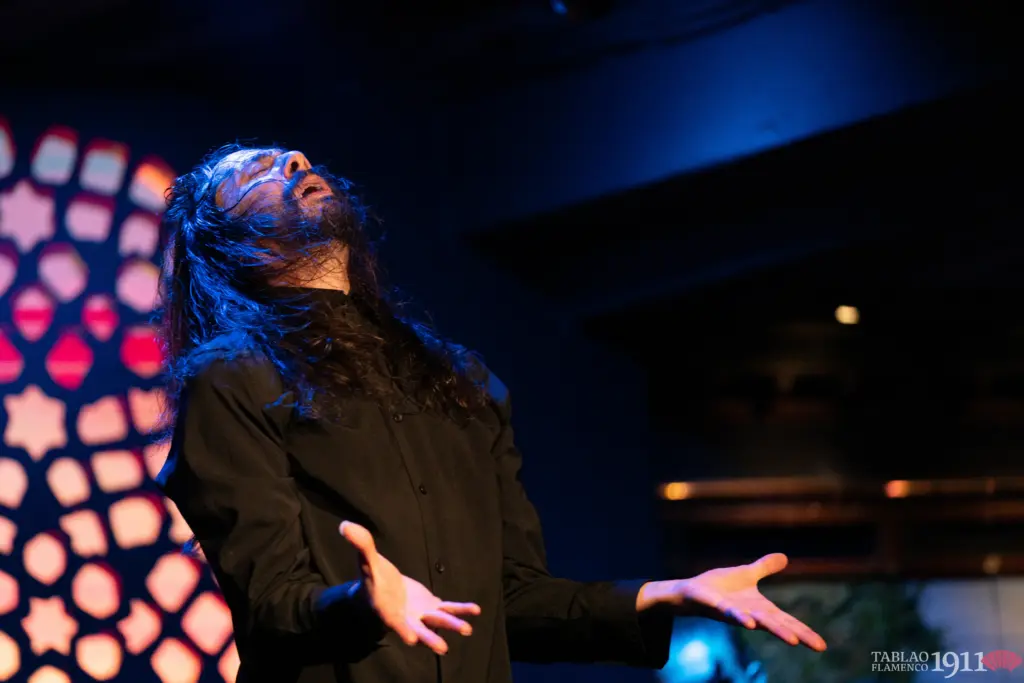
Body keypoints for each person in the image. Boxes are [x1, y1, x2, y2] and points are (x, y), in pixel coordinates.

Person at [155, 145, 827, 683]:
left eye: (291, 156)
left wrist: (664, 594)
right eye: (251, 172)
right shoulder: (231, 379)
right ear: (234, 244)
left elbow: (514, 599)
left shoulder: (457, 379)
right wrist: (362, 603)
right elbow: (271, 602)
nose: (293, 161)